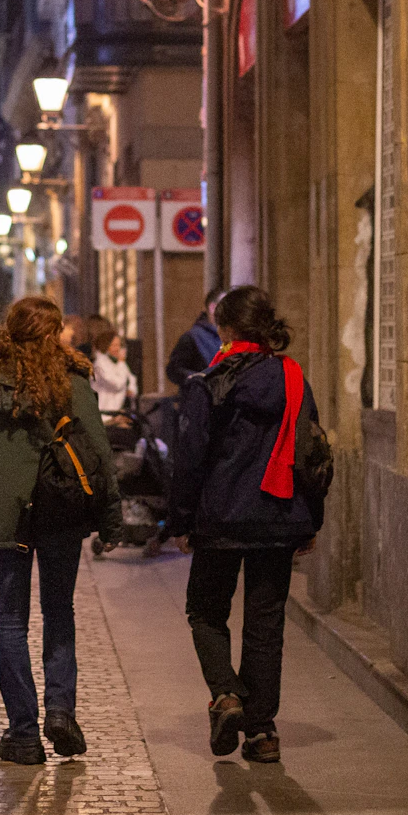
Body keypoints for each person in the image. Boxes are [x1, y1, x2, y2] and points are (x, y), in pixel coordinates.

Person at [0, 296, 121, 765]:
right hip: (60, 509)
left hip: (5, 510)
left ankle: (23, 734)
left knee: (11, 619)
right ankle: (61, 711)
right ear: (54, 333)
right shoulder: (72, 379)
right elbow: (99, 452)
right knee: (58, 611)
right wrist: (110, 518)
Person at [166, 285, 325, 765]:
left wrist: (180, 518)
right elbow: (312, 453)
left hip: (219, 519)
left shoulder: (209, 382)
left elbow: (190, 460)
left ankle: (227, 696)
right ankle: (262, 732)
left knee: (206, 611)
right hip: (278, 515)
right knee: (265, 623)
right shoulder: (294, 378)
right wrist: (310, 518)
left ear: (227, 329)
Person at [166, 287, 227, 390]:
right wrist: (197, 378)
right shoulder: (192, 338)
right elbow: (173, 370)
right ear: (212, 308)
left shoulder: (229, 336)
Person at [92, 331, 137, 414]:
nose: (118, 348)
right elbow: (117, 384)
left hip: (116, 410)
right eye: (114, 345)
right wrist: (121, 363)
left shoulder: (116, 363)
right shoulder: (100, 364)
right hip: (104, 412)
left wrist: (131, 389)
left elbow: (131, 379)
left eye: (119, 345)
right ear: (105, 346)